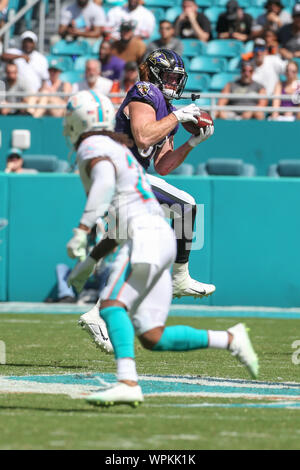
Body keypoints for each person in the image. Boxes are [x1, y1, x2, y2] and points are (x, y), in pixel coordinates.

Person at [65, 89, 259, 406]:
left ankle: (126, 378)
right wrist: (88, 264)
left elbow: (116, 178)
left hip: (146, 230)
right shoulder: (144, 100)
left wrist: (83, 229)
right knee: (152, 336)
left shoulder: (96, 144)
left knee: (113, 306)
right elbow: (122, 218)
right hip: (156, 232)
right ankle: (230, 338)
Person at [67, 49, 216, 351]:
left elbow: (163, 165)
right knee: (185, 205)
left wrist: (192, 142)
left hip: (135, 179)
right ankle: (180, 277)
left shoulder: (167, 107)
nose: (175, 83)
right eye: (171, 77)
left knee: (139, 254)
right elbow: (143, 136)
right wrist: (175, 116)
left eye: (178, 79)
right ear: (155, 73)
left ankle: (97, 312)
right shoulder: (144, 91)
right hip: (123, 174)